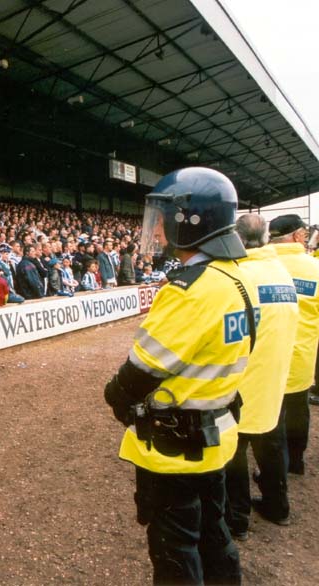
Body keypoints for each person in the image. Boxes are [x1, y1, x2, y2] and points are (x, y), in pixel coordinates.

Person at [104, 167, 253, 584]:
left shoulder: (191, 288)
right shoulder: (236, 277)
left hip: (176, 444)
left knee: (174, 547)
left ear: (188, 220)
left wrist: (114, 394)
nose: (158, 229)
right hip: (218, 433)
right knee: (213, 532)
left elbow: (142, 370)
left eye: (163, 217)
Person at [224, 214, 298, 538]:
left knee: (234, 456)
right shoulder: (282, 272)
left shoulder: (238, 276)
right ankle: (277, 506)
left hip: (242, 383)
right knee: (272, 447)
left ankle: (237, 520)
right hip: (275, 378)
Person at [268, 213, 319, 477]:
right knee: (299, 409)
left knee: (271, 412)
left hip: (267, 356)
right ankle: (296, 461)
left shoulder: (260, 268)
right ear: (298, 236)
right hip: (301, 355)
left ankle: (274, 467)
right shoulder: (315, 268)